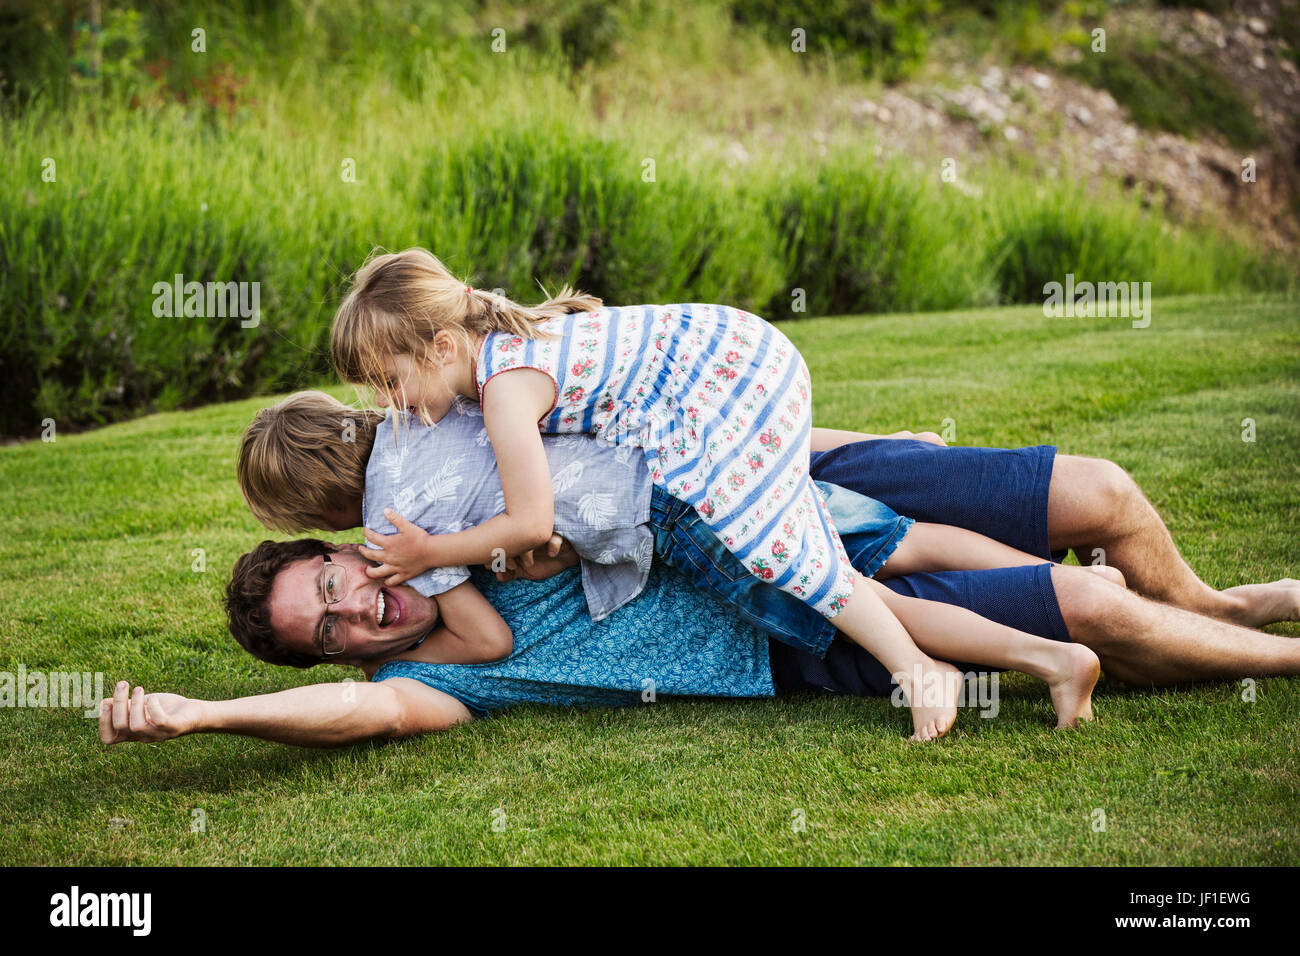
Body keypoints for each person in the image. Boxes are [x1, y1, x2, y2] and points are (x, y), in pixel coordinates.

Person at [327, 248, 1089, 739]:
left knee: (784, 558)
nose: (391, 401)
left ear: (444, 345)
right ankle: (1052, 654)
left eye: (391, 379)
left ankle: (919, 668)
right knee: (815, 557)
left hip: (721, 391)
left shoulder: (502, 389)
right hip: (736, 367)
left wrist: (433, 551)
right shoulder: (506, 353)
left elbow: (528, 519)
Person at [237, 391, 1104, 729]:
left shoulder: (422, 536)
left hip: (694, 513)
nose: (357, 605)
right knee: (896, 548)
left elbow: (489, 635)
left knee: (871, 574)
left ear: (337, 531)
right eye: (327, 629)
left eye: (333, 582)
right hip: (698, 479)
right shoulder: (455, 423)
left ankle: (1022, 641)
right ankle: (1059, 603)